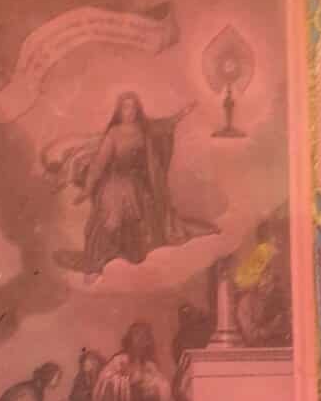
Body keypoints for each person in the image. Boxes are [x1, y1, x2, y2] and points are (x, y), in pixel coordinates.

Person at [42, 92, 217, 276]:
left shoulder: (145, 129)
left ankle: (132, 256)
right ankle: (99, 261)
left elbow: (166, 124)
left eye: (133, 107)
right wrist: (87, 189)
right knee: (110, 208)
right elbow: (99, 163)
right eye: (126, 107)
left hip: (137, 182)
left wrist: (183, 113)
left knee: (137, 207)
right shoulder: (114, 133)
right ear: (119, 110)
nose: (129, 111)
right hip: (114, 180)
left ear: (137, 109)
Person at [93, 321, 172, 401]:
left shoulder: (150, 366)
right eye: (137, 335)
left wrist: (154, 387)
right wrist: (124, 381)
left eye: (144, 337)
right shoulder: (119, 361)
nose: (140, 340)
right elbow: (104, 382)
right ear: (130, 339)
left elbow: (164, 389)